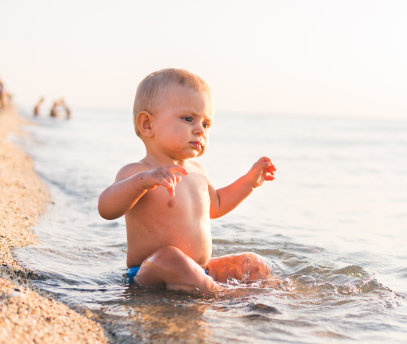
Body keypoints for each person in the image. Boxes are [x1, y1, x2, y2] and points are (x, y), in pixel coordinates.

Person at [98, 68, 277, 294]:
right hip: (150, 271)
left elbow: (217, 205)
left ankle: (270, 292)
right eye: (188, 119)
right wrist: (143, 182)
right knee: (169, 256)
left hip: (200, 269)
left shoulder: (198, 171)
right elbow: (106, 208)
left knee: (252, 263)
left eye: (206, 124)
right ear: (147, 124)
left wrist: (248, 182)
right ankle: (218, 294)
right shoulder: (138, 172)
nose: (199, 130)